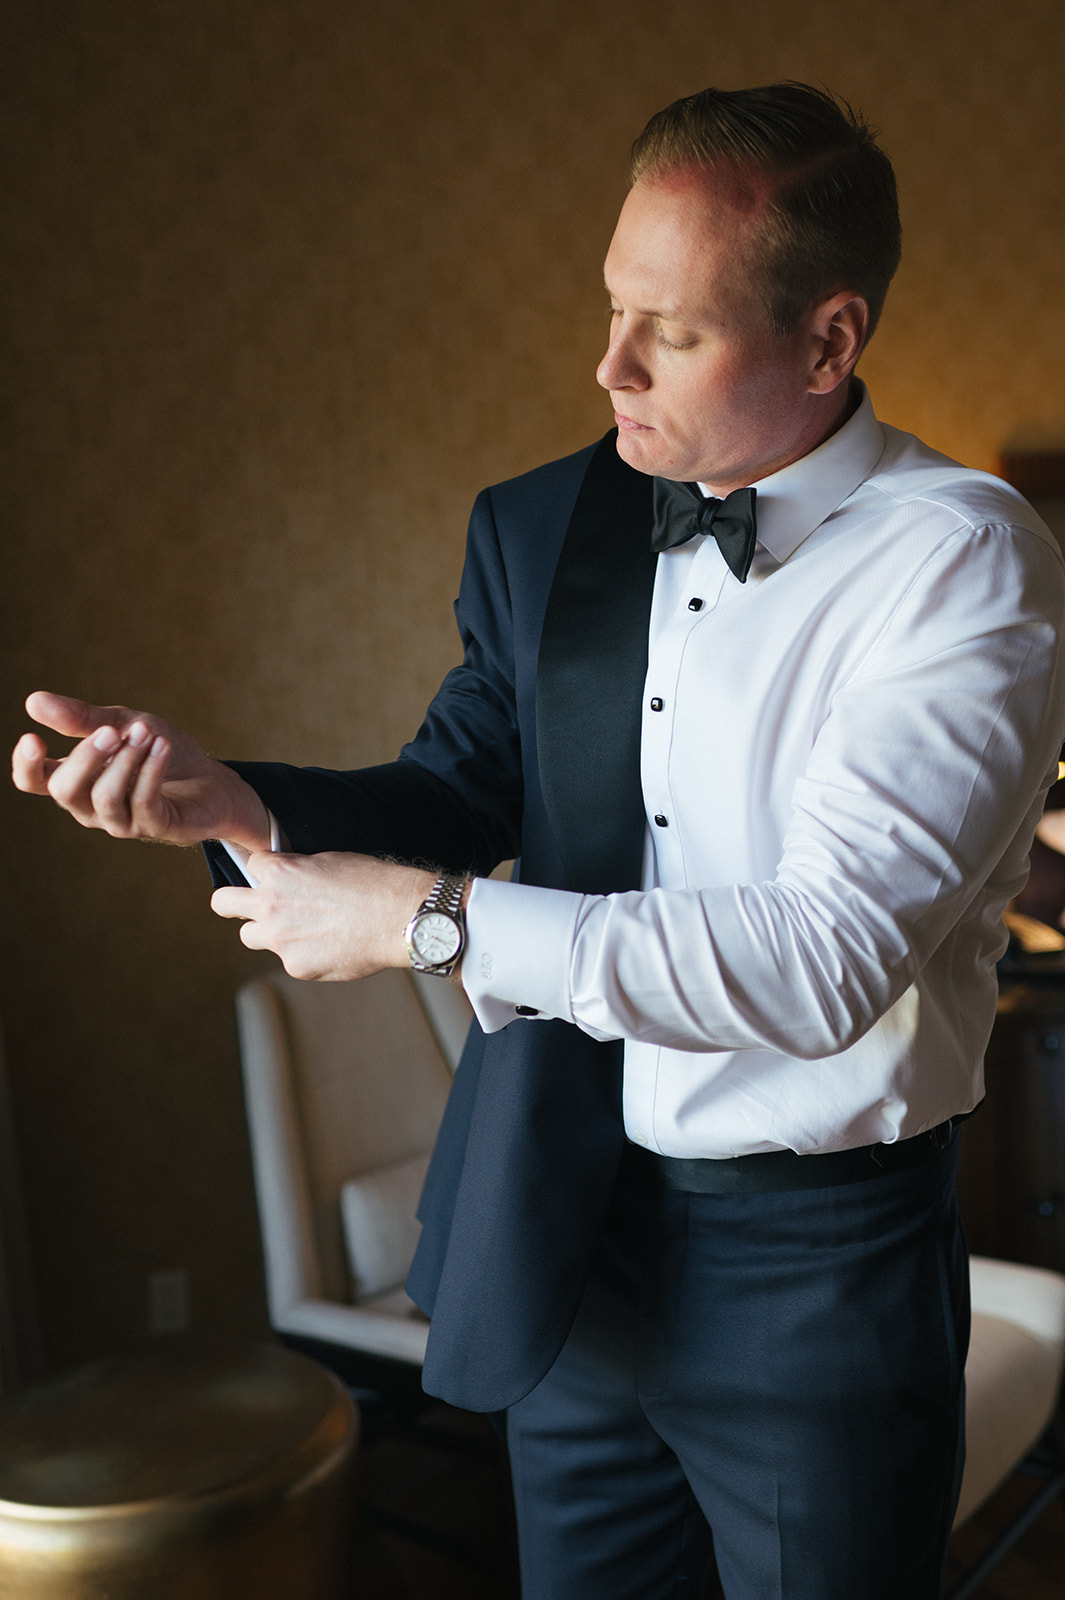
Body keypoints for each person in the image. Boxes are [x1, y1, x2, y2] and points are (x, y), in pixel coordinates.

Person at [13, 83, 1065, 1599]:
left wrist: (428, 925)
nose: (606, 365)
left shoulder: (964, 562)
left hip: (817, 1261)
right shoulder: (549, 522)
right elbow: (457, 782)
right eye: (609, 306)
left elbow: (824, 958)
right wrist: (232, 800)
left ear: (829, 340)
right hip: (567, 1231)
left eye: (672, 331)